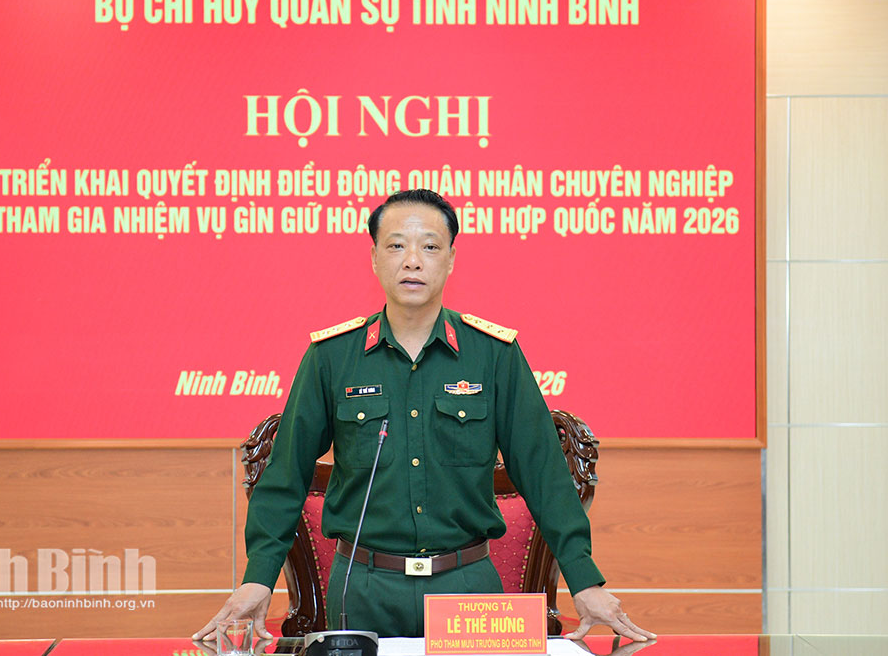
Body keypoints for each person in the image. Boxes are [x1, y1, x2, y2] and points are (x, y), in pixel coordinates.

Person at [194, 189, 654, 642]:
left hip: (467, 586)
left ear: (451, 259)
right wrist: (258, 578)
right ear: (374, 258)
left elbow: (544, 473)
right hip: (362, 588)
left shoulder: (494, 354)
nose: (412, 261)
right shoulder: (332, 356)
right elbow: (285, 476)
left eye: (430, 247)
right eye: (396, 245)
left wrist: (584, 580)